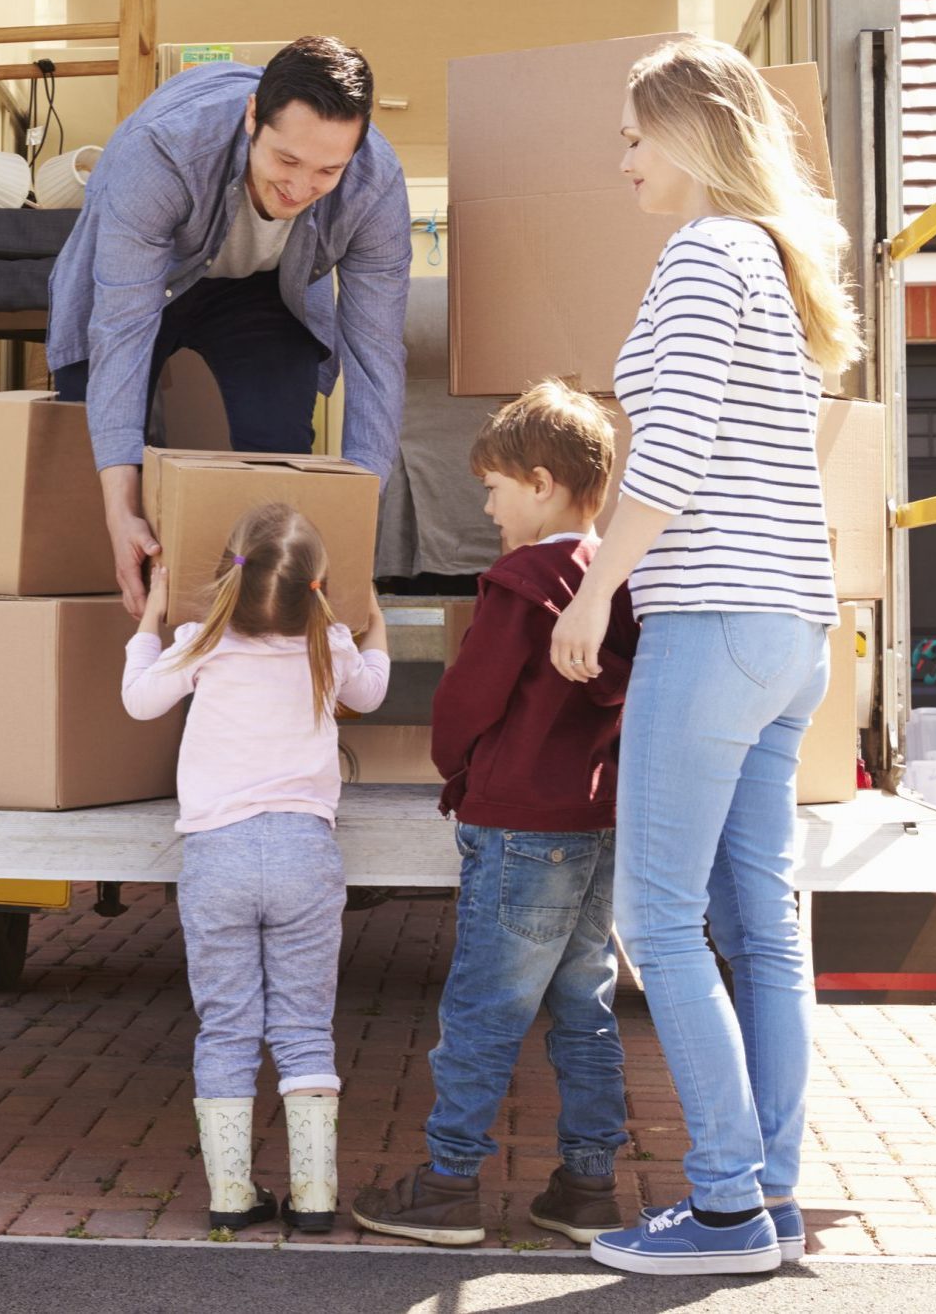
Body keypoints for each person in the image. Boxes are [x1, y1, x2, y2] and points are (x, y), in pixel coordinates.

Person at [549, 38, 861, 1276]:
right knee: (759, 927)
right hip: (790, 631)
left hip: (715, 620)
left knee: (658, 917)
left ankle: (725, 1205)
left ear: (689, 132)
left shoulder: (700, 256)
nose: (625, 159)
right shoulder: (770, 263)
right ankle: (768, 1194)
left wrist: (596, 590)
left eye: (636, 136)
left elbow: (669, 456)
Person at [350, 380, 639, 1249]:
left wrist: (459, 768)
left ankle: (445, 1186)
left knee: (483, 1009)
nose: (485, 507)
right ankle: (586, 1187)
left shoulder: (520, 583)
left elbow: (466, 700)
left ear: (540, 485)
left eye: (493, 488)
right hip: (594, 823)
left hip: (518, 825)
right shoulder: (615, 581)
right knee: (585, 1009)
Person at [47, 37, 412, 615]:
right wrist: (120, 510)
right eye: (286, 161)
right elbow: (121, 328)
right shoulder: (163, 151)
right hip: (148, 278)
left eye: (327, 171)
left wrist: (355, 528)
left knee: (279, 442)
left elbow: (376, 354)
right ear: (252, 117)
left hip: (265, 289)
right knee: (93, 463)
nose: (300, 188)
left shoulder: (376, 184)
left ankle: (261, 628)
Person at [119, 501, 391, 1233]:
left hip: (219, 857)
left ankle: (232, 1195)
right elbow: (372, 690)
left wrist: (150, 619)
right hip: (305, 853)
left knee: (227, 1027)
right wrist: (374, 621)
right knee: (304, 1026)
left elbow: (139, 701)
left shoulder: (201, 644)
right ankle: (315, 1197)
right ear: (318, 587)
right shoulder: (328, 645)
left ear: (226, 576)